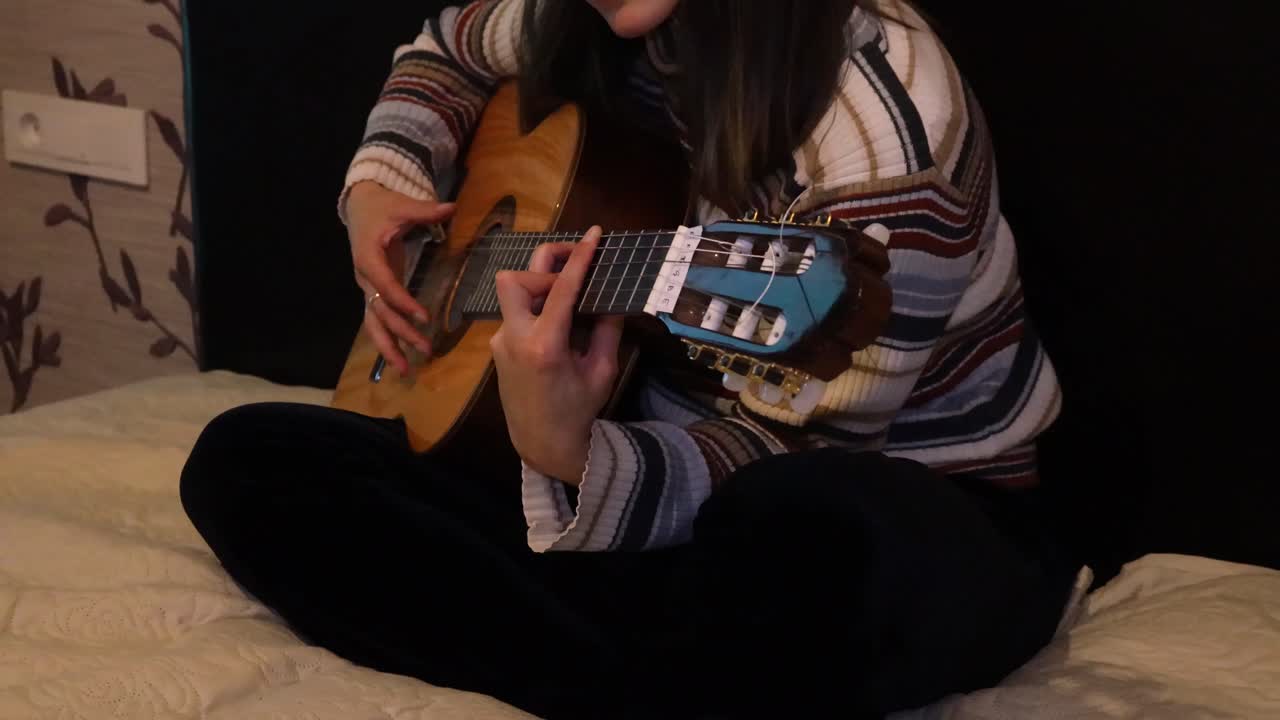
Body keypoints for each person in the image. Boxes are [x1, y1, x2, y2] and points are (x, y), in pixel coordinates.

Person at [179, 1, 1083, 717]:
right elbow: (447, 47)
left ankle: (619, 650)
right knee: (246, 462)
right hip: (634, 451)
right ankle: (653, 669)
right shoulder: (586, 15)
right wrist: (385, 183)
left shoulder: (884, 132)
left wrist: (567, 454)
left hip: (895, 498)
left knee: (799, 530)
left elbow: (805, 450)